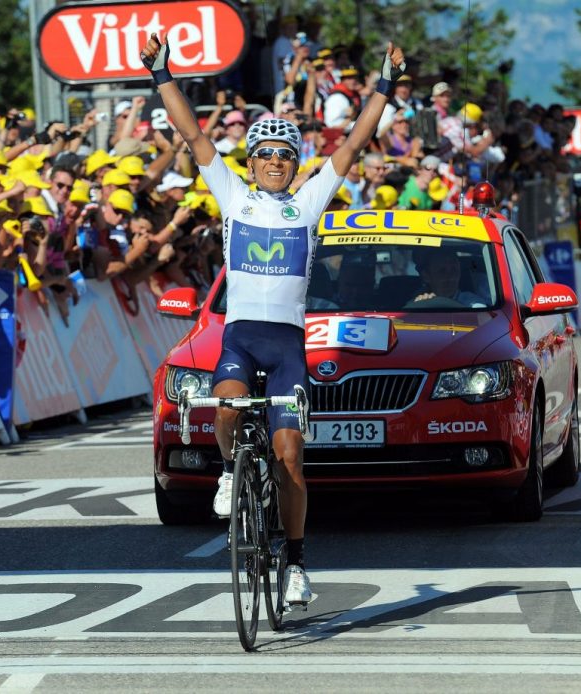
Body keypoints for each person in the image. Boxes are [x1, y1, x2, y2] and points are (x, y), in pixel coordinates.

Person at [141, 31, 406, 606]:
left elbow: (354, 143)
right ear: (252, 161)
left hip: (288, 347)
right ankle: (229, 472)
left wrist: (385, 85)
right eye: (265, 154)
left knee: (289, 460)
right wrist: (162, 74)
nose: (275, 163)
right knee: (227, 407)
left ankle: (296, 562)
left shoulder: (308, 202)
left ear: (295, 163)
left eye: (285, 155)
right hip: (241, 338)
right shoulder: (233, 196)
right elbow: (193, 134)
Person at [406, 246, 488, 308]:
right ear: (426, 276)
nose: (451, 277)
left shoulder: (472, 303)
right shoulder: (419, 301)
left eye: (454, 270)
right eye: (442, 271)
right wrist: (420, 306)